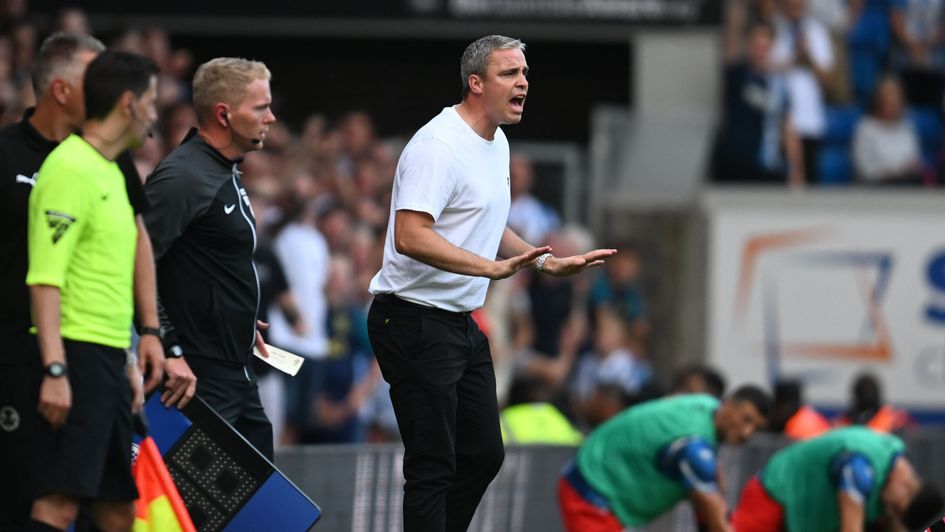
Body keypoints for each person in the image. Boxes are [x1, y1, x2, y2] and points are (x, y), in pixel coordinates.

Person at [367, 34, 617, 531]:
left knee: (482, 454)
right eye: (509, 73)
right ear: (475, 83)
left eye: (524, 73)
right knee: (433, 464)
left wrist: (542, 263)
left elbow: (487, 220)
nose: (523, 82)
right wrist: (489, 269)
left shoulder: (496, 141)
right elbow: (411, 234)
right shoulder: (438, 146)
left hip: (458, 321)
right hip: (412, 318)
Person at [0, 33, 164, 531]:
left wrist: (142, 339)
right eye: (153, 104)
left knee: (116, 507)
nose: (156, 116)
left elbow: (132, 250)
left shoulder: (110, 167)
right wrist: (54, 369)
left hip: (106, 354)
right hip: (62, 353)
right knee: (53, 502)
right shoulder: (67, 168)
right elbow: (45, 277)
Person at [143, 57, 277, 459]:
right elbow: (134, 267)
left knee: (263, 516)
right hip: (197, 378)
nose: (270, 117)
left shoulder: (225, 169)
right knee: (195, 518)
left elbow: (204, 263)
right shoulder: (183, 177)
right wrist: (169, 349)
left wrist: (234, 315)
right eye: (260, 107)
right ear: (224, 114)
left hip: (237, 370)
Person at [558, 385, 771, 532]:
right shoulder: (693, 446)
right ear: (728, 404)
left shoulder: (705, 404)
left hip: (596, 485)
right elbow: (716, 522)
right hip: (592, 495)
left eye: (756, 428)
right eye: (746, 419)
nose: (747, 432)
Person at [732, 426, 944, 531]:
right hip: (774, 495)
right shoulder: (859, 467)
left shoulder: (894, 466)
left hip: (805, 516)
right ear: (907, 485)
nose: (889, 509)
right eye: (895, 507)